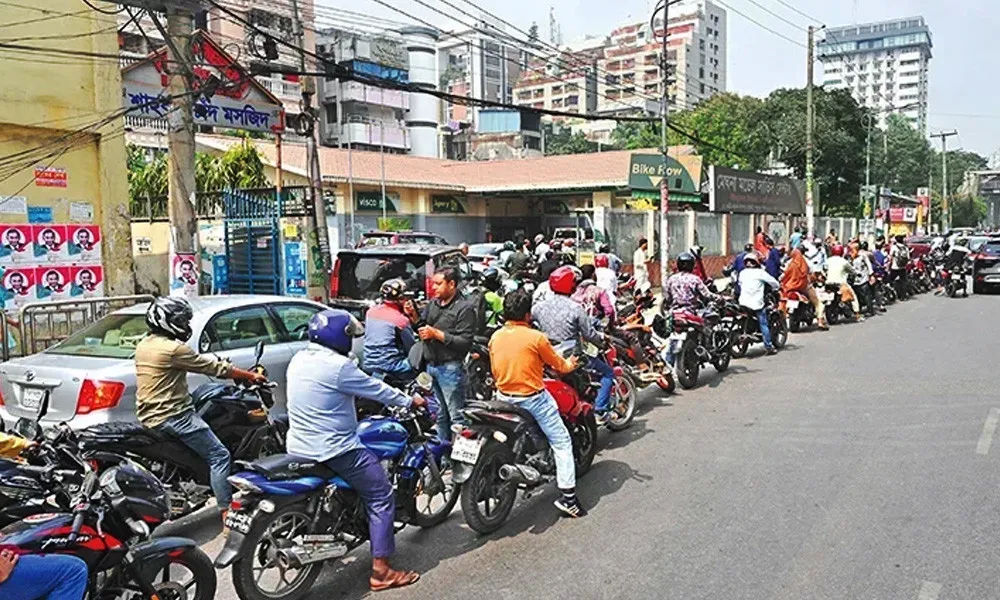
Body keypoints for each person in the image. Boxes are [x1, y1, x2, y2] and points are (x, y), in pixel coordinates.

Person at [285, 309, 426, 592]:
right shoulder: (338, 366)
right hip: (335, 449)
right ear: (339, 337)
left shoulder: (300, 358)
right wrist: (410, 400)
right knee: (381, 493)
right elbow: (377, 388)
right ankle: (382, 572)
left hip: (297, 445)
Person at [135, 296, 267, 517]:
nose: (186, 326)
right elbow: (213, 368)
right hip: (174, 416)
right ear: (167, 321)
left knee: (201, 399)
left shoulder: (144, 344)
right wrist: (250, 375)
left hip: (149, 414)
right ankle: (227, 512)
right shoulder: (173, 349)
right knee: (219, 456)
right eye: (182, 321)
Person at [489, 288, 586, 517]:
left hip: (502, 397)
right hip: (532, 399)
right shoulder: (536, 337)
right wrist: (572, 363)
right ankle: (569, 499)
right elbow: (559, 366)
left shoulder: (496, 336)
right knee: (562, 442)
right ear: (527, 315)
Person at [533, 266, 615, 423]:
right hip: (573, 358)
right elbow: (589, 334)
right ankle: (600, 410)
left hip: (547, 358)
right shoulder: (575, 309)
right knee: (607, 373)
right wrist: (603, 342)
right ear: (570, 285)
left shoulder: (538, 308)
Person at [404, 267, 475, 441]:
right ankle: (443, 458)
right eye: (433, 283)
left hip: (450, 368)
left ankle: (461, 462)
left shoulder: (464, 308)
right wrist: (414, 317)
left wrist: (436, 334)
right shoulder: (433, 304)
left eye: (438, 284)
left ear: (452, 284)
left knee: (456, 417)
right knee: (441, 415)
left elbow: (464, 343)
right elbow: (423, 328)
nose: (433, 287)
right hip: (431, 367)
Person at [363, 279, 417, 382]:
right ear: (401, 299)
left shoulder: (370, 312)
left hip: (369, 363)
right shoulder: (400, 320)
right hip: (392, 367)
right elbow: (411, 349)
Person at [738, 252, 781, 355]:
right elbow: (774, 283)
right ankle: (768, 346)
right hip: (756, 303)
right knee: (763, 323)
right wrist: (777, 288)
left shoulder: (742, 273)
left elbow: (740, 284)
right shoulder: (760, 273)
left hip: (743, 302)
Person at [780, 247, 828, 330]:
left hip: (789, 287)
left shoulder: (789, 263)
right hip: (803, 287)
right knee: (818, 303)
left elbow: (784, 275)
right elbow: (812, 273)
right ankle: (820, 321)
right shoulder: (806, 262)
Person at [826, 244, 863, 321]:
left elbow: (824, 269)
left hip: (828, 283)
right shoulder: (844, 262)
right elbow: (852, 271)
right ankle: (857, 315)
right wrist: (856, 273)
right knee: (853, 297)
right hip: (840, 284)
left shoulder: (828, 260)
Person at [851, 244, 875, 316]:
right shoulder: (851, 257)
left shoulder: (863, 256)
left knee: (866, 294)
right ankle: (859, 308)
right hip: (855, 279)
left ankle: (870, 310)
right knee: (857, 294)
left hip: (863, 278)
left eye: (852, 249)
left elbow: (869, 265)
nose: (851, 251)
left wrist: (871, 275)